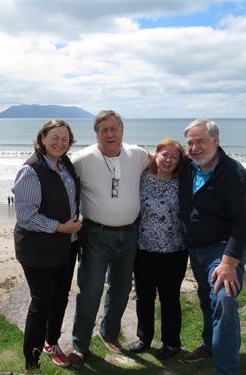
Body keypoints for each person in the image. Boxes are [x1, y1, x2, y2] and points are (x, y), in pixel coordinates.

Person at [69, 110, 149, 367]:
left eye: (114, 128)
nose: (110, 134)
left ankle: (109, 332)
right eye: (104, 130)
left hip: (130, 234)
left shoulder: (137, 154)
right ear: (96, 134)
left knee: (122, 288)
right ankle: (80, 345)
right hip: (95, 234)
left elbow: (168, 161)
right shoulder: (82, 159)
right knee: (90, 290)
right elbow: (55, 172)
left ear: (122, 131)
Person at [178, 119, 246, 375]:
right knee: (206, 299)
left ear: (215, 140)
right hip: (197, 247)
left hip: (225, 250)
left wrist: (228, 263)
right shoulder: (188, 167)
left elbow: (244, 220)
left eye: (200, 141)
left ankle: (226, 369)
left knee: (224, 298)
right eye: (190, 143)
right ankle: (209, 345)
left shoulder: (235, 173)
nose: (194, 147)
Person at [12, 119, 82, 372]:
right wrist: (60, 227)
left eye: (65, 139)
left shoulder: (65, 164)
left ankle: (51, 343)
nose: (59, 143)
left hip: (67, 245)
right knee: (41, 303)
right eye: (54, 137)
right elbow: (26, 217)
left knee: (61, 297)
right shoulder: (31, 170)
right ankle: (32, 362)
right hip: (38, 248)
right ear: (42, 138)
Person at [129, 138, 188, 360]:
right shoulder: (142, 178)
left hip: (175, 251)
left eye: (174, 157)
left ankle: (171, 343)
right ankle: (144, 338)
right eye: (165, 154)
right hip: (143, 249)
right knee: (144, 297)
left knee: (170, 298)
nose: (169, 160)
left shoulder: (183, 181)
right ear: (156, 154)